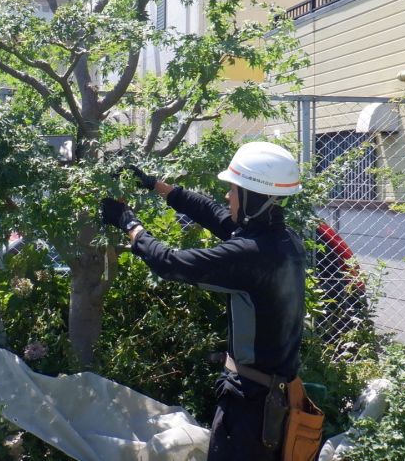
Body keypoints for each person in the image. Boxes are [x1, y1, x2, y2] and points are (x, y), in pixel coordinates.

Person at [101, 141, 306, 461]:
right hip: (273, 397)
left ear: (252, 197)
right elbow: (213, 214)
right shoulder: (283, 240)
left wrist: (129, 224)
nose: (227, 196)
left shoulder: (253, 256)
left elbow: (172, 263)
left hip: (250, 406)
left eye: (234, 190)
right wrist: (153, 184)